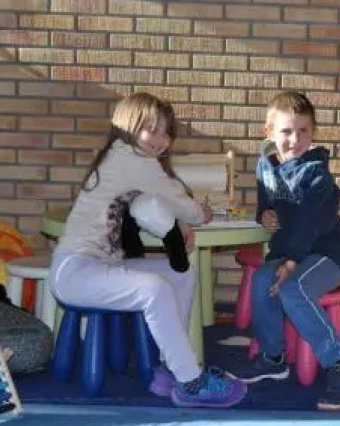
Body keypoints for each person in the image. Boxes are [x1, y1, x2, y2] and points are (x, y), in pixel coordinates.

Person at [49, 92, 247, 408]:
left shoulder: (126, 157)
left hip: (103, 266)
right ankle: (191, 383)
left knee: (181, 274)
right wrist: (201, 214)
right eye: (151, 130)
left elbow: (155, 203)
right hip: (76, 271)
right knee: (154, 289)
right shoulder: (131, 158)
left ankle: (174, 368)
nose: (160, 139)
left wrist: (179, 220)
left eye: (166, 132)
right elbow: (181, 202)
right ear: (128, 127)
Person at [231, 91, 340, 410]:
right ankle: (273, 357)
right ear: (269, 133)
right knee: (262, 280)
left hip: (327, 255)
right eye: (287, 131)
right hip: (290, 252)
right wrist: (265, 215)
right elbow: (266, 206)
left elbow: (308, 225)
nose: (295, 139)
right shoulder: (266, 167)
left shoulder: (317, 175)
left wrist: (290, 263)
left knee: (293, 288)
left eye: (303, 131)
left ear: (313, 133)